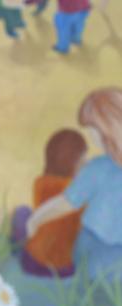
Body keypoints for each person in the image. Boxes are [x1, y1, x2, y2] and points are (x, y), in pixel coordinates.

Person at [27, 87, 122, 279]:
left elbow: (66, 202)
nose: (92, 138)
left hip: (92, 246)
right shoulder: (99, 167)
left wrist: (37, 218)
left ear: (106, 128)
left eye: (93, 131)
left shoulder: (99, 168)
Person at [12, 129, 87, 277]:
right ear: (73, 162)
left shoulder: (40, 183)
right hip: (64, 270)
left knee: (22, 212)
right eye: (83, 160)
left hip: (31, 262)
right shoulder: (78, 194)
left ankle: (15, 248)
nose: (86, 164)